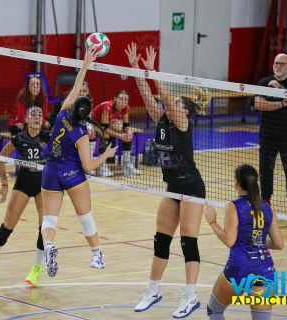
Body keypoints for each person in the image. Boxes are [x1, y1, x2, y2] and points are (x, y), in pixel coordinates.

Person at [126, 43, 208, 318]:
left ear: (183, 111)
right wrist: (137, 68)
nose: (170, 106)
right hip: (173, 187)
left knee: (188, 243)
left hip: (191, 187)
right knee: (161, 240)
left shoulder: (184, 124)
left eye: (175, 105)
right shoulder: (161, 120)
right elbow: (146, 93)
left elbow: (164, 95)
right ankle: (153, 290)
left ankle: (190, 297)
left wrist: (153, 70)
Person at [40, 47, 117, 278]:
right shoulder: (82, 134)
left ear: (73, 106)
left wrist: (86, 62)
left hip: (51, 170)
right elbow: (88, 167)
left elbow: (76, 87)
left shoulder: (63, 112)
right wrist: (106, 155)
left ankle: (48, 246)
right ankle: (96, 256)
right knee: (85, 217)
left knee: (49, 218)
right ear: (87, 113)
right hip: (71, 174)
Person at [0, 107, 50, 286]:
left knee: (43, 225)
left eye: (39, 115)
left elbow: (60, 158)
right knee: (8, 223)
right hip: (23, 183)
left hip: (43, 185)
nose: (37, 118)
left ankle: (36, 268)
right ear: (26, 119)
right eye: (33, 115)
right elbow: (0, 158)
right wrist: (4, 185)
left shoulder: (48, 137)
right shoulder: (19, 138)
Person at [203, 164, 284, 320]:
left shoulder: (233, 206)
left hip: (239, 268)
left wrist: (213, 222)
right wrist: (257, 241)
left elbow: (229, 240)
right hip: (264, 269)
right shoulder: (267, 208)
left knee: (215, 311)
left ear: (236, 182)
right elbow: (279, 244)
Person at [254, 53, 287, 215]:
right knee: (265, 170)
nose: (278, 66)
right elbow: (259, 104)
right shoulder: (264, 82)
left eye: (282, 64)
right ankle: (265, 200)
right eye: (276, 63)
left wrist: (281, 90)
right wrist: (283, 102)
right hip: (267, 135)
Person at [91, 90, 141, 176]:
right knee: (105, 135)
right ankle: (102, 167)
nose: (123, 102)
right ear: (115, 99)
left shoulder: (126, 108)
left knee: (127, 134)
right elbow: (105, 128)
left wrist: (128, 133)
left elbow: (125, 126)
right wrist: (120, 136)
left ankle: (127, 166)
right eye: (120, 99)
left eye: (125, 100)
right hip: (93, 122)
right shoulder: (108, 106)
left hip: (108, 123)